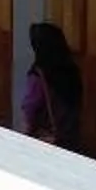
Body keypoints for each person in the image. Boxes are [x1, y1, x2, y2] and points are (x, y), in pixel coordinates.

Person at [18, 23, 86, 152]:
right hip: (70, 139)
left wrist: (24, 138)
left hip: (45, 140)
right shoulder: (72, 71)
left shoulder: (38, 75)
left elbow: (29, 107)